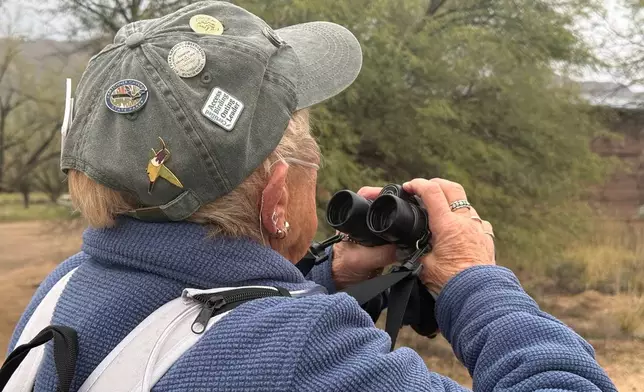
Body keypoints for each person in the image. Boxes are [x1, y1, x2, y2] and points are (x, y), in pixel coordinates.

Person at [7, 1, 616, 391]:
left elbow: (202, 336)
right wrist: (471, 278)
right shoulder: (305, 352)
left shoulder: (65, 289)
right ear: (276, 197)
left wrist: (319, 278)